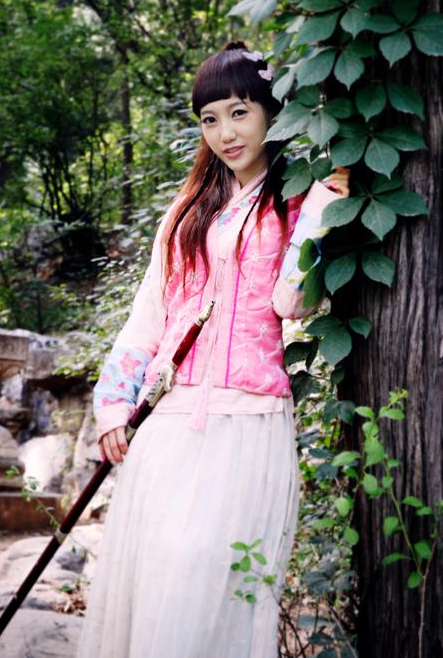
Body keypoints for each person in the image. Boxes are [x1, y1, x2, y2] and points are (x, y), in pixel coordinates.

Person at [76, 40, 350, 658]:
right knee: (161, 583)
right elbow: (148, 315)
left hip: (247, 422)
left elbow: (292, 302)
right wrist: (115, 405)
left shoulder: (297, 200)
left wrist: (322, 208)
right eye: (210, 118)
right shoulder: (185, 212)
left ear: (271, 112)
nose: (225, 133)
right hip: (170, 423)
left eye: (239, 113)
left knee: (212, 586)